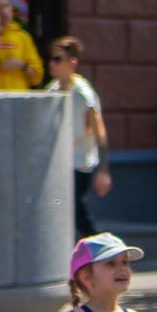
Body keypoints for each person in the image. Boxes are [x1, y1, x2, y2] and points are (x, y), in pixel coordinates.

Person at [45, 37, 111, 237]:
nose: (51, 64)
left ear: (72, 63)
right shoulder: (51, 90)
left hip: (79, 164)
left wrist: (103, 170)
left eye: (57, 59)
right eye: (51, 59)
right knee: (61, 211)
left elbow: (99, 130)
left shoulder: (83, 93)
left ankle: (97, 247)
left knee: (74, 208)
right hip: (58, 163)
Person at [0, 0, 43, 91]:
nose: (3, 12)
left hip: (17, 102)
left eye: (6, 6)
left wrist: (22, 65)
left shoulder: (23, 37)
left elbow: (37, 78)